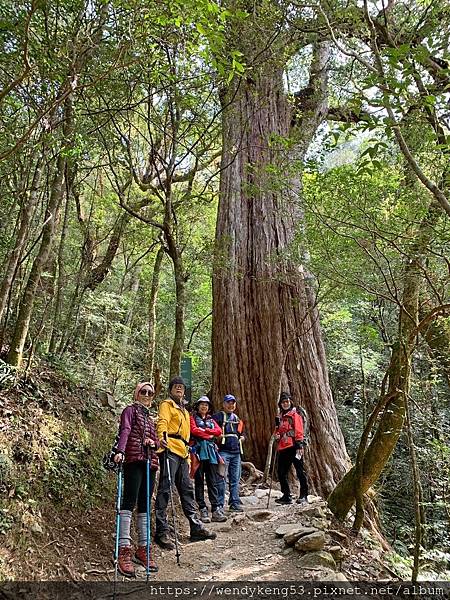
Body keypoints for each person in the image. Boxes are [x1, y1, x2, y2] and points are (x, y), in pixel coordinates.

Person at [154, 376, 216, 550]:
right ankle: (162, 531)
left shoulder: (184, 410)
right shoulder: (167, 405)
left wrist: (188, 456)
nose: (179, 389)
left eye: (181, 387)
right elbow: (163, 422)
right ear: (171, 389)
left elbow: (188, 434)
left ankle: (195, 527)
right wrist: (161, 438)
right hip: (170, 448)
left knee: (186, 489)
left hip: (182, 450)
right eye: (176, 387)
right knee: (165, 487)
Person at [113, 381, 159, 577]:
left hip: (150, 463)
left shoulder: (150, 419)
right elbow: (125, 430)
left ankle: (143, 548)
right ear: (137, 393)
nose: (147, 395)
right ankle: (124, 549)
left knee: (144, 505)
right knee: (128, 503)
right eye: (144, 391)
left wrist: (154, 442)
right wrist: (120, 451)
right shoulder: (129, 411)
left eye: (150, 393)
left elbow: (156, 442)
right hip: (133, 460)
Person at [190, 396, 227, 524]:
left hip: (211, 453)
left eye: (206, 405)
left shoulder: (211, 420)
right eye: (202, 405)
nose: (204, 407)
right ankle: (202, 508)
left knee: (213, 480)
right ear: (198, 406)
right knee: (199, 481)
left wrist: (206, 430)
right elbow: (194, 430)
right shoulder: (193, 418)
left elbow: (218, 431)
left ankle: (216, 508)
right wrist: (209, 434)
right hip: (199, 452)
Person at [274, 391, 309, 505]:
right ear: (280, 404)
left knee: (300, 471)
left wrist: (299, 445)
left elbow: (299, 430)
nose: (285, 404)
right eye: (283, 402)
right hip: (284, 447)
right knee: (281, 472)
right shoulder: (280, 417)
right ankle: (286, 495)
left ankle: (304, 495)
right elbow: (278, 431)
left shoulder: (295, 415)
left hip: (294, 446)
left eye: (287, 401)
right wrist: (277, 436)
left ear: (290, 402)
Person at [212, 394, 244, 512]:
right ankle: (219, 504)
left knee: (235, 478)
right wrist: (217, 437)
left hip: (236, 453)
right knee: (221, 478)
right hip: (223, 452)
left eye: (233, 403)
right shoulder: (218, 416)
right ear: (223, 404)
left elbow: (241, 433)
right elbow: (211, 430)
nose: (231, 405)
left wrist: (242, 438)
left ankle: (234, 502)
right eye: (228, 403)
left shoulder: (237, 419)